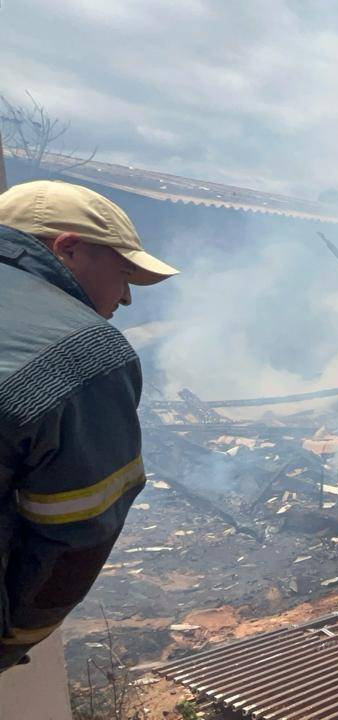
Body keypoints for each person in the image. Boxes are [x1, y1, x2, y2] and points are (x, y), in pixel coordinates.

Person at [0, 180, 178, 674]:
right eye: (123, 275)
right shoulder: (82, 351)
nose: (125, 299)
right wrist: (10, 642)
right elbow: (77, 536)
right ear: (70, 249)